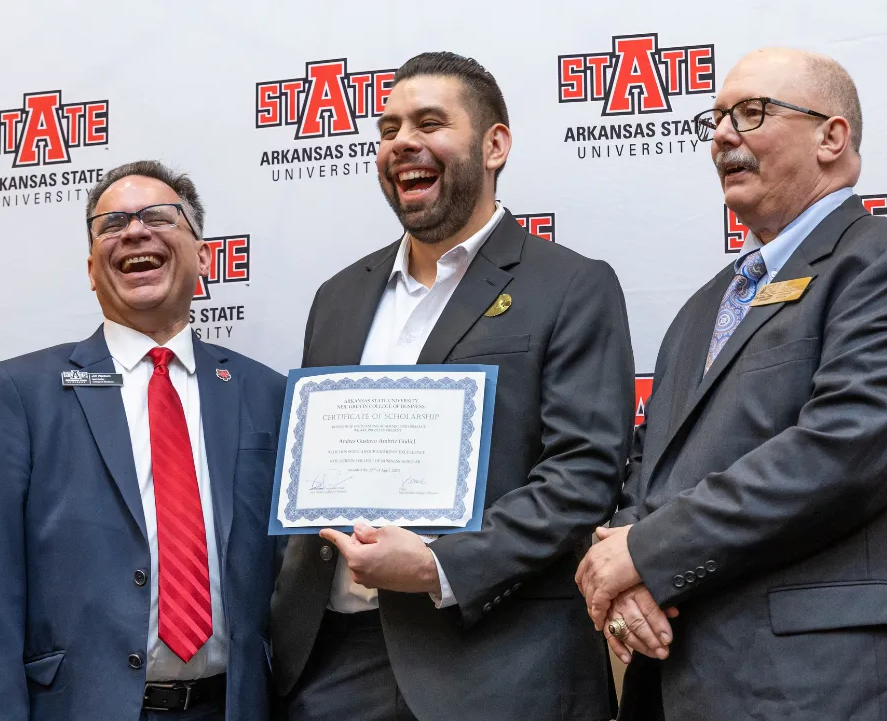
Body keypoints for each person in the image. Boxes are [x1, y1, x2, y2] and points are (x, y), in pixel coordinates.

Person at [576, 47, 887, 721]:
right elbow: (646, 465)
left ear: (832, 137)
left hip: (829, 684)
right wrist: (624, 566)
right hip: (682, 680)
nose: (721, 135)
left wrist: (648, 553)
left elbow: (845, 451)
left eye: (752, 114)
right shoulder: (703, 308)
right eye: (716, 117)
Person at [271, 52, 635, 721]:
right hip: (328, 665)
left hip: (498, 667)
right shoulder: (338, 296)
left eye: (430, 122)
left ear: (495, 145)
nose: (403, 142)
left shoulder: (571, 287)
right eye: (388, 129)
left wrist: (442, 567)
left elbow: (584, 473)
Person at [0, 161, 287, 721]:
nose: (134, 231)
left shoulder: (266, 392)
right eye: (111, 225)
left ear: (204, 257)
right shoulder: (19, 393)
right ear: (90, 268)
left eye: (158, 217)